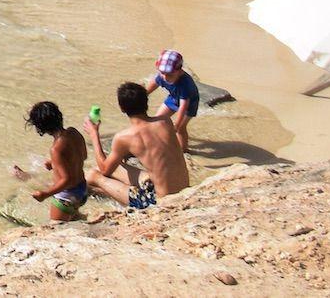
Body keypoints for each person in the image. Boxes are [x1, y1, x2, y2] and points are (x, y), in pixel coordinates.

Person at [86, 81, 189, 209]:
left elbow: (105, 170)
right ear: (146, 102)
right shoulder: (165, 121)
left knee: (94, 175)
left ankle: (93, 194)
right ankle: (108, 192)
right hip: (185, 190)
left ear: (122, 108)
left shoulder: (124, 138)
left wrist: (94, 133)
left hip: (159, 201)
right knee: (117, 166)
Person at [11, 100, 90, 224]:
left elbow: (67, 180)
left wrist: (45, 194)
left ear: (41, 128)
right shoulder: (73, 132)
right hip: (82, 189)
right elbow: (83, 156)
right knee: (74, 219)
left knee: (56, 229)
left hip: (65, 197)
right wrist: (55, 162)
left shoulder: (56, 149)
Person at [147, 50, 200, 140]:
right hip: (174, 97)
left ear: (179, 70)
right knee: (157, 121)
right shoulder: (162, 75)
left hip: (189, 104)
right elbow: (151, 87)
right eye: (162, 73)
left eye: (170, 74)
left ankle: (184, 150)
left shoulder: (185, 84)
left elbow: (183, 107)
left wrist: (177, 125)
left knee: (180, 129)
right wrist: (140, 97)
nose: (165, 77)